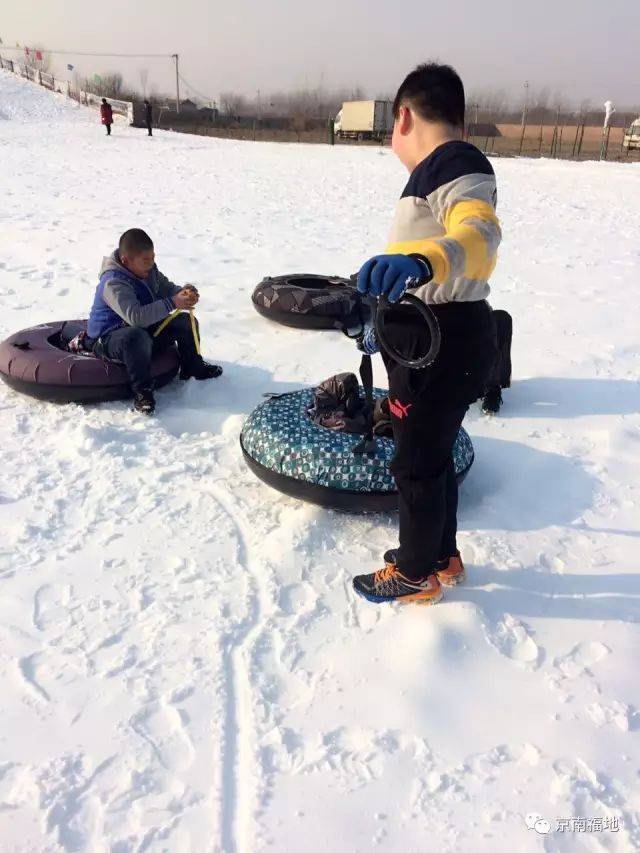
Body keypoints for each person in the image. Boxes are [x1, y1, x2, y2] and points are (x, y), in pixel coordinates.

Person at [352, 63, 501, 605]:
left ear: (403, 116)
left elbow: (479, 233)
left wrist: (420, 261)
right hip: (434, 337)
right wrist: (379, 317)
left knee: (414, 462)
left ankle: (416, 572)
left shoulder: (453, 161)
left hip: (438, 343)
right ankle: (443, 555)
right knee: (431, 455)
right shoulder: (442, 168)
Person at [87, 228, 222, 414]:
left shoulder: (148, 269)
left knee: (184, 321)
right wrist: (173, 302)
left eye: (152, 258)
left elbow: (164, 287)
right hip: (111, 338)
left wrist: (182, 293)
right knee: (136, 336)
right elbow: (136, 318)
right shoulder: (113, 282)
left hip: (142, 331)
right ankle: (142, 392)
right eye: (145, 260)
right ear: (126, 260)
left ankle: (192, 367)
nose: (151, 264)